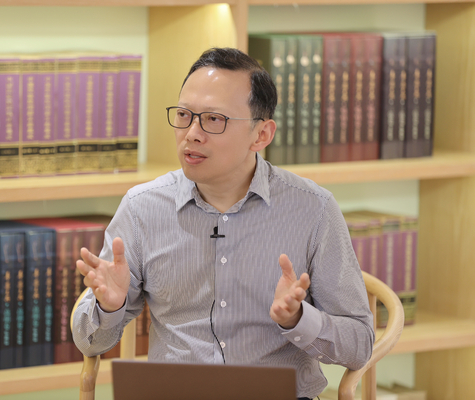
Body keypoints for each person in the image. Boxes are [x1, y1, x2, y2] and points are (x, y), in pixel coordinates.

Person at [72, 47, 374, 400]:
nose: (192, 133)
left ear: (261, 135)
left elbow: (359, 345)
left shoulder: (313, 209)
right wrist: (109, 307)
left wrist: (298, 320)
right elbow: (90, 342)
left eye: (214, 119)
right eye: (184, 115)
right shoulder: (142, 208)